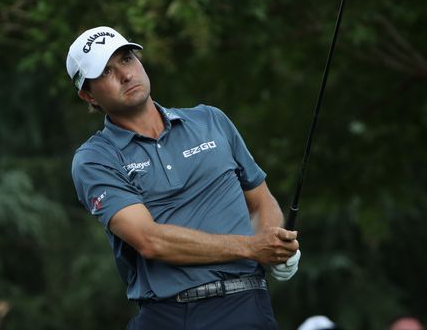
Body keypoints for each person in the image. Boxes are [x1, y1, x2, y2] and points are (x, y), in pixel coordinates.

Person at [67, 26, 301, 329]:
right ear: (88, 95)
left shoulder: (210, 120)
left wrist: (275, 243)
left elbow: (260, 200)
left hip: (245, 305)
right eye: (106, 72)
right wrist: (253, 247)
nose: (125, 75)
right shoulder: (96, 158)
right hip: (168, 315)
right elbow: (150, 241)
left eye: (127, 59)